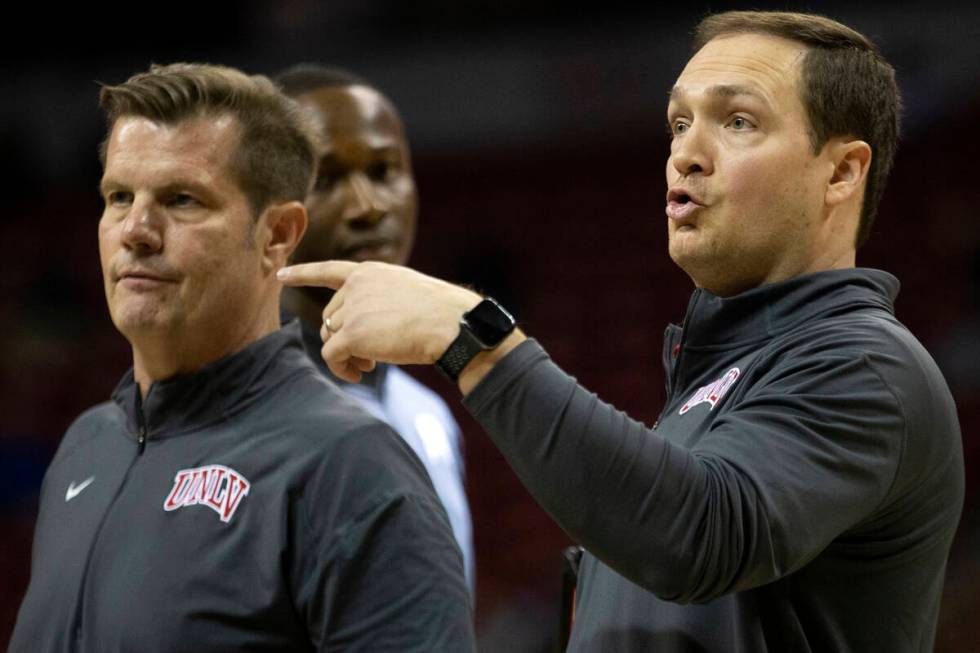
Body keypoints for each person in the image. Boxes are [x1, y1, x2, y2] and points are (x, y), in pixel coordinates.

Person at [278, 10, 965, 652]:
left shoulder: (866, 363)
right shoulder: (721, 381)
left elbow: (699, 534)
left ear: (841, 171)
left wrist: (471, 337)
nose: (686, 153)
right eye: (678, 121)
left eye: (738, 122)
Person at [10, 63, 474, 652]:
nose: (136, 231)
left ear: (278, 235)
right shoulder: (85, 449)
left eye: (181, 200)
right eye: (119, 197)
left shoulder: (351, 467)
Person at [274, 64, 475, 592]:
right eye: (327, 179)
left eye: (384, 171)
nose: (367, 207)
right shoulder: (248, 418)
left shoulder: (429, 413)